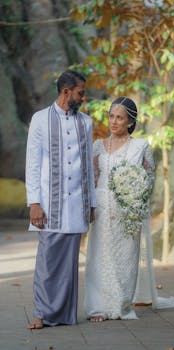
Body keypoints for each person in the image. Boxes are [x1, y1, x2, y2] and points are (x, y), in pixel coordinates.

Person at [84, 96, 174, 322]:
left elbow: (148, 179)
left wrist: (134, 201)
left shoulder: (141, 146)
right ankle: (99, 308)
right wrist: (90, 207)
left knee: (124, 259)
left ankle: (121, 305)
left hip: (128, 211)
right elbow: (93, 180)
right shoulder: (97, 146)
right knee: (99, 257)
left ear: (130, 122)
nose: (114, 122)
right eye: (111, 116)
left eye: (120, 118)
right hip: (102, 210)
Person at [25, 70, 96, 329]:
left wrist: (92, 203)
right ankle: (41, 314)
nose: (83, 97)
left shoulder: (85, 122)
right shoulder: (40, 120)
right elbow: (32, 164)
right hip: (48, 204)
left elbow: (87, 165)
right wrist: (34, 202)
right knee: (47, 262)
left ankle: (65, 315)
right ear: (66, 92)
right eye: (80, 93)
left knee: (68, 264)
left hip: (77, 202)